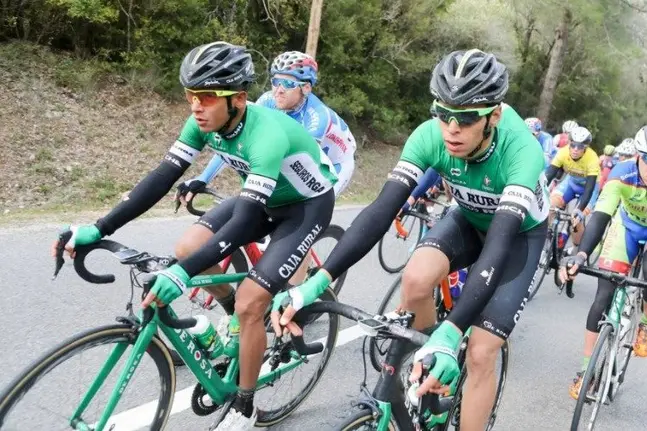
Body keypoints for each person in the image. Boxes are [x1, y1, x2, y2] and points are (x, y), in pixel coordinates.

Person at [52, 41, 338, 430]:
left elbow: (244, 221)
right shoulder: (203, 122)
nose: (195, 106)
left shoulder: (266, 134)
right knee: (187, 248)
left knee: (252, 301)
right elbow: (160, 179)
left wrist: (180, 274)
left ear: (238, 99)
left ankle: (245, 404)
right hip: (265, 197)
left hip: (305, 207)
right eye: (190, 96)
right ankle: (236, 324)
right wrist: (99, 227)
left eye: (206, 97)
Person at [270, 49, 550, 429]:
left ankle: (449, 359)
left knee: (481, 352)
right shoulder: (429, 136)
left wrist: (452, 334)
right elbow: (379, 212)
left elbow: (498, 247)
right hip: (467, 218)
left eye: (466, 118)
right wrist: (316, 284)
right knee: (415, 279)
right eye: (443, 113)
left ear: (494, 117)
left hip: (517, 237)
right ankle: (431, 381)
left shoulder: (521, 152)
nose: (452, 128)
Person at [558, 122, 647, 399]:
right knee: (603, 294)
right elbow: (601, 217)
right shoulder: (622, 173)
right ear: (638, 157)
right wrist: (581, 254)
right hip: (626, 227)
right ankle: (586, 370)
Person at [183, 51, 357, 200]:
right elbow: (235, 141)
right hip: (300, 154)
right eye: (275, 82)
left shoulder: (317, 117)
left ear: (306, 88)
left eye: (288, 84)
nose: (278, 90)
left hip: (336, 163)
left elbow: (304, 165)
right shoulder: (268, 100)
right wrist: (204, 178)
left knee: (310, 204)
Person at [544, 126, 600, 256]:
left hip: (588, 189)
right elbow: (549, 174)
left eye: (580, 147)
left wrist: (580, 209)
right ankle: (546, 234)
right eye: (573, 145)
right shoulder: (563, 152)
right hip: (571, 184)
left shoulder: (592, 158)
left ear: (585, 147)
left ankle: (576, 248)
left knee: (576, 219)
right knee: (550, 205)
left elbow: (590, 188)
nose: (575, 149)